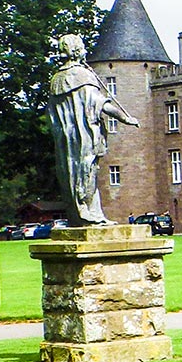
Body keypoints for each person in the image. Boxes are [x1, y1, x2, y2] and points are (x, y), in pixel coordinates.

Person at [47, 34, 139, 225]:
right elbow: (100, 103)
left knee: (70, 171)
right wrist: (126, 118)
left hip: (65, 138)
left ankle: (80, 212)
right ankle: (88, 212)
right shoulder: (82, 75)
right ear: (78, 50)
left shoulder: (56, 80)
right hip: (84, 134)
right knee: (87, 170)